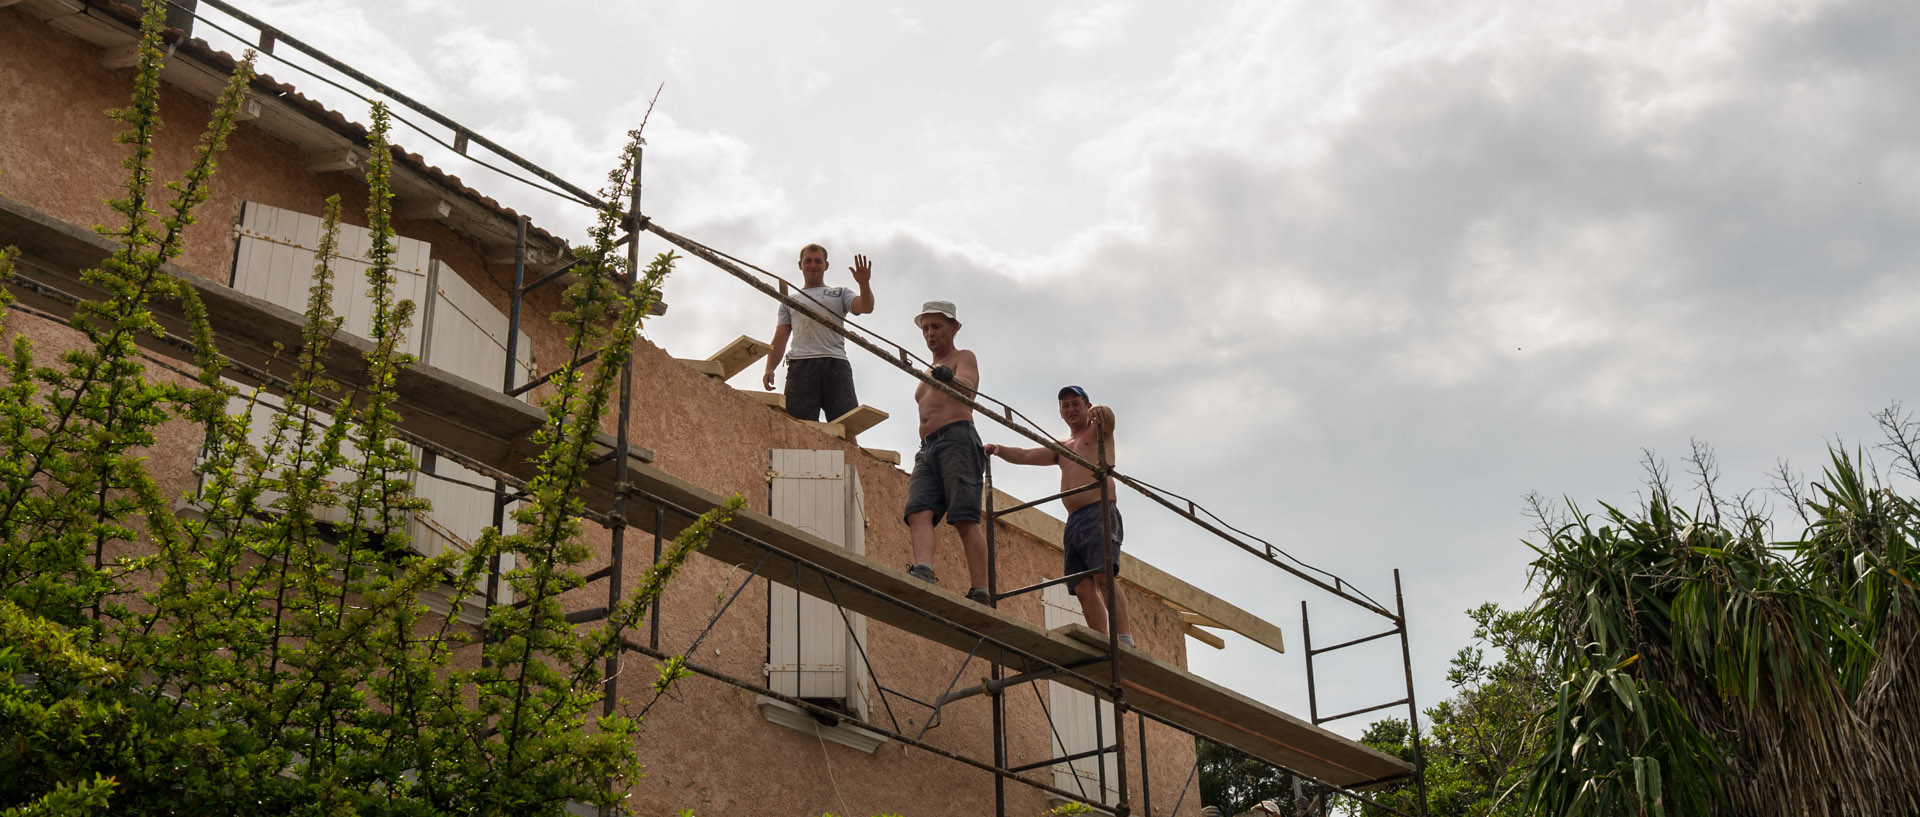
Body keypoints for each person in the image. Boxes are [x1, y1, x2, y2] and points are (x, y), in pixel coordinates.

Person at [984, 385, 1133, 644]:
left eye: (1076, 403)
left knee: (1103, 574)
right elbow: (1025, 454)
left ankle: (1123, 639)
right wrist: (998, 448)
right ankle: (1101, 640)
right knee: (1081, 585)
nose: (1071, 409)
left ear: (1087, 406)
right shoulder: (1062, 446)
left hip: (1098, 511)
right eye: (1065, 406)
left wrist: (1103, 410)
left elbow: (1109, 419)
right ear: (1060, 413)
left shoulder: (1098, 432)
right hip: (1074, 521)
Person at [901, 301, 992, 605]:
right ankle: (924, 569)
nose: (929, 333)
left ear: (954, 328)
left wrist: (949, 376)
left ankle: (981, 589)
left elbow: (968, 387)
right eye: (925, 328)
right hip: (927, 447)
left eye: (936, 326)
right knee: (918, 510)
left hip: (957, 439)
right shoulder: (927, 371)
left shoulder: (962, 357)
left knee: (965, 516)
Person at [762, 244, 874, 422]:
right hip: (801, 366)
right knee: (797, 426)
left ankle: (851, 452)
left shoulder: (840, 293)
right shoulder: (790, 300)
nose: (813, 265)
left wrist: (864, 284)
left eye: (817, 261)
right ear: (800, 265)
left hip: (835, 363)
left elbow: (865, 307)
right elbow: (780, 338)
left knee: (847, 425)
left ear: (826, 265)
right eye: (808, 261)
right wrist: (770, 368)